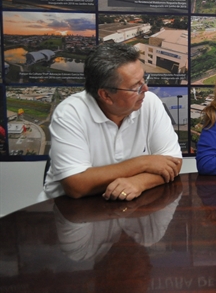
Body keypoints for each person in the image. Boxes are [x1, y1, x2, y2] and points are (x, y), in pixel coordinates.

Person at [41, 43, 182, 201]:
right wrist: (143, 163)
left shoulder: (149, 102)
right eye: (136, 86)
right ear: (106, 95)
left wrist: (139, 182)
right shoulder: (70, 113)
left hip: (127, 208)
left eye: (144, 79)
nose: (146, 89)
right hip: (66, 211)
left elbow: (173, 164)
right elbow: (76, 185)